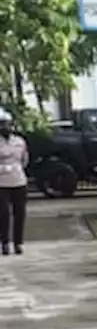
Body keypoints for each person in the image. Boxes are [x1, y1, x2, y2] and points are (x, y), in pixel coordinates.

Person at [0, 109, 29, 256]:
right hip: (2, 183)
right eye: (3, 124)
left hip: (19, 181)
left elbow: (25, 160)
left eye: (8, 124)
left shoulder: (19, 141)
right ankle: (5, 243)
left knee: (20, 213)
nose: (6, 127)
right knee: (3, 213)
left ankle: (18, 243)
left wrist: (16, 169)